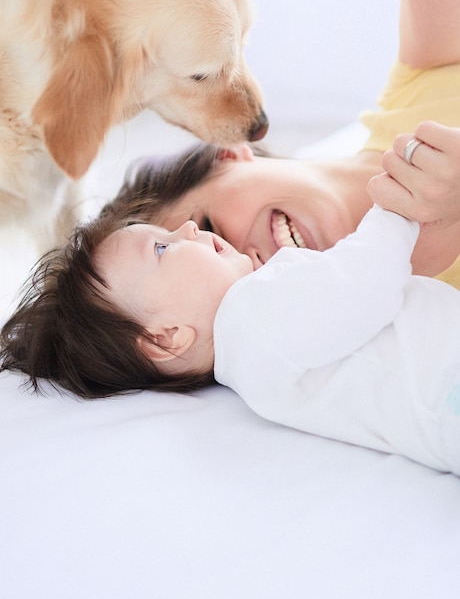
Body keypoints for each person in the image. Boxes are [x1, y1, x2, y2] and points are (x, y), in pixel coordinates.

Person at [2, 197, 460, 475]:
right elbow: (364, 285)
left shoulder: (254, 360)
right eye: (162, 247)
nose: (187, 227)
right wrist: (396, 210)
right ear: (166, 339)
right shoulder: (253, 314)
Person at [100, 0, 460, 290]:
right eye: (231, 295)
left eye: (211, 229)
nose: (246, 262)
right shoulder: (426, 318)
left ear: (228, 156)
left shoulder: (427, 71)